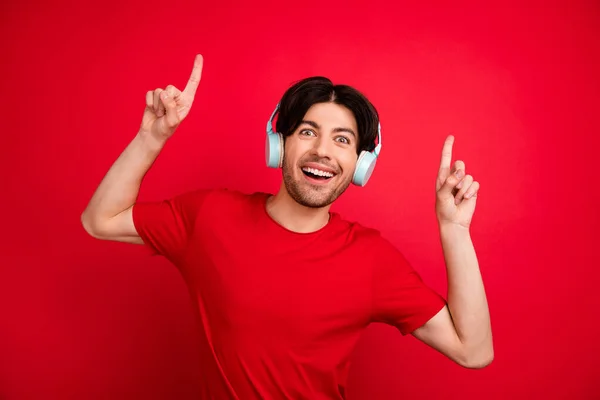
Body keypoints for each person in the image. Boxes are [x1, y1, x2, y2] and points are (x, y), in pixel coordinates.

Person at [81, 54, 493, 399]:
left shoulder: (372, 260)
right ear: (279, 143)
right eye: (307, 132)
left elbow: (473, 351)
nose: (322, 151)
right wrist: (151, 138)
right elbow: (101, 219)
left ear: (362, 164)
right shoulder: (210, 216)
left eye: (343, 140)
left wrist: (454, 229)